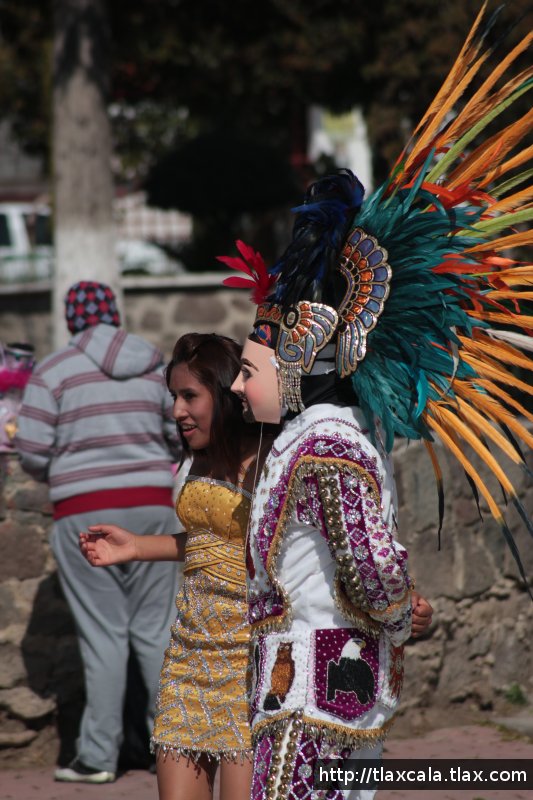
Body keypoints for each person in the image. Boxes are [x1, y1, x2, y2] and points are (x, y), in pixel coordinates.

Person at [80, 333, 278, 800]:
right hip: (187, 661)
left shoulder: (278, 460)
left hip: (250, 668)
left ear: (227, 392)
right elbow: (209, 543)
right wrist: (135, 548)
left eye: (190, 396)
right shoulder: (202, 459)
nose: (176, 411)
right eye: (173, 397)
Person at [15, 280, 182, 784]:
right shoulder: (155, 364)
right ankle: (171, 749)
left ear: (71, 320)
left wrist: (69, 473)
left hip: (84, 515)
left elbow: (32, 452)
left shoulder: (53, 370)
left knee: (103, 633)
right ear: (115, 313)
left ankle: (97, 757)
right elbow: (179, 433)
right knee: (157, 631)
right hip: (155, 508)